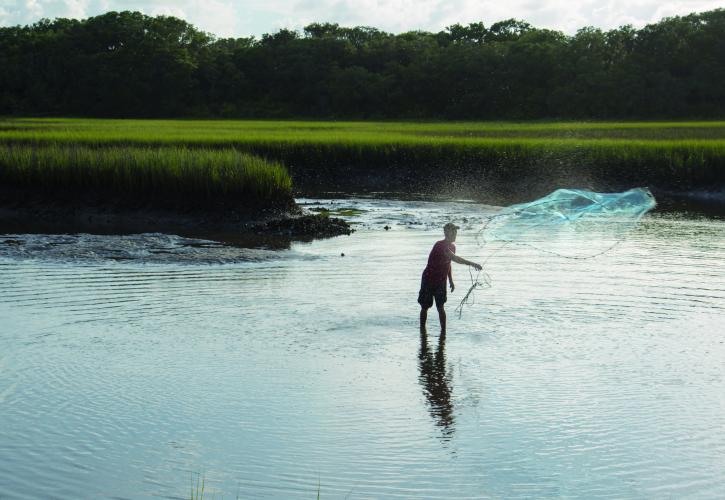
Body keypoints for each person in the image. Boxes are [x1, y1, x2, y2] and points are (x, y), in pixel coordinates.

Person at [418, 222, 481, 334]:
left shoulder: (452, 246)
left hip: (441, 281)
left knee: (440, 307)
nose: (456, 234)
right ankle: (422, 332)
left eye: (456, 232)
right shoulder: (440, 245)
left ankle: (443, 332)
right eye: (454, 232)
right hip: (428, 279)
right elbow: (455, 259)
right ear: (447, 233)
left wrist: (451, 280)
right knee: (425, 307)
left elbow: (449, 263)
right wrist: (473, 264)